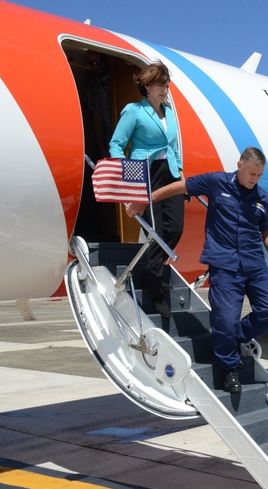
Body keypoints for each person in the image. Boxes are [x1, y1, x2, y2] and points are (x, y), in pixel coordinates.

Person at [132, 147, 268, 394]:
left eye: (259, 174)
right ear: (240, 164)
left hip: (255, 265)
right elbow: (180, 187)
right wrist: (145, 201)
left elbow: (267, 231)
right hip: (224, 266)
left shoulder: (261, 197)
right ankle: (229, 369)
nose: (254, 179)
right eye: (252, 173)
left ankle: (232, 338)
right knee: (224, 320)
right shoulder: (216, 182)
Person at [110, 61, 185, 316]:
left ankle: (153, 271)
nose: (165, 90)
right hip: (147, 174)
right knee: (156, 231)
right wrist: (129, 176)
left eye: (167, 85)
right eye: (160, 85)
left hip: (171, 174)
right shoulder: (134, 111)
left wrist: (181, 173)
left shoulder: (171, 113)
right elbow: (116, 145)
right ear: (147, 86)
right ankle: (153, 283)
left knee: (175, 228)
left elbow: (173, 148)